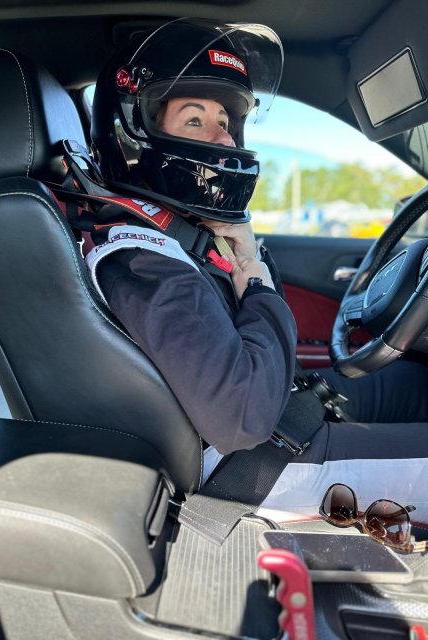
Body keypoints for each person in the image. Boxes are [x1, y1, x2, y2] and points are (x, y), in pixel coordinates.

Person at [87, 17, 428, 522]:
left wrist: (248, 261)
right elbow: (241, 417)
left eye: (225, 121)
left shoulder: (177, 237)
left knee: (418, 386)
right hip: (252, 472)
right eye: (194, 120)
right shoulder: (144, 259)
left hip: (276, 416)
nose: (223, 140)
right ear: (134, 140)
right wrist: (255, 277)